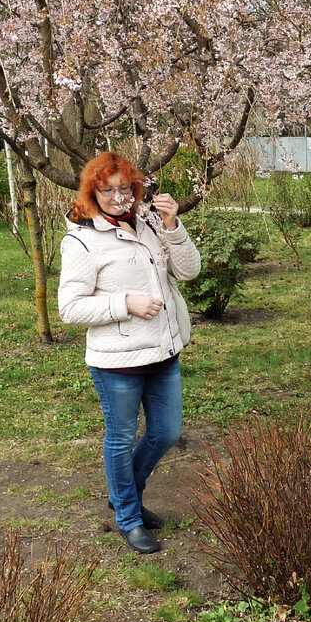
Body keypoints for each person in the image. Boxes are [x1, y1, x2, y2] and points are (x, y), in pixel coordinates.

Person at [58, 151, 201, 554]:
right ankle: (128, 517)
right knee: (120, 439)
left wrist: (173, 225)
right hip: (118, 362)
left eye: (126, 188)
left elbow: (189, 272)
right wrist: (125, 303)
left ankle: (125, 496)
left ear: (136, 188)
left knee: (166, 432)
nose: (119, 197)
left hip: (163, 350)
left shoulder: (152, 223)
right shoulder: (82, 240)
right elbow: (69, 308)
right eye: (108, 191)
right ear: (93, 193)